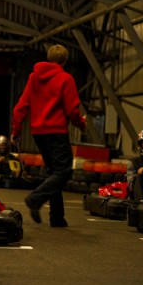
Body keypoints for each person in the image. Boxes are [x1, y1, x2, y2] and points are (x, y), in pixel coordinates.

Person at [10, 44, 86, 227]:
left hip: (38, 133)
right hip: (57, 132)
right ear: (65, 60)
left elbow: (21, 106)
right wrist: (81, 124)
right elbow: (72, 110)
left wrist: (16, 131)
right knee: (63, 172)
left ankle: (57, 217)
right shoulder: (65, 79)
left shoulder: (33, 77)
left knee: (53, 172)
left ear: (49, 58)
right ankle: (35, 199)